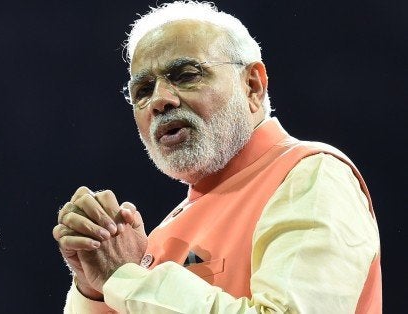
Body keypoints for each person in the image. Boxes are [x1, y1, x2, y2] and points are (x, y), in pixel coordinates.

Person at [52, 1, 381, 313]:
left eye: (186, 75)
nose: (159, 100)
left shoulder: (311, 176)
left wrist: (125, 278)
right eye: (143, 91)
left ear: (252, 86)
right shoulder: (162, 237)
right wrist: (94, 288)